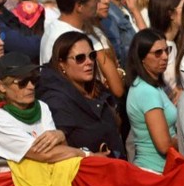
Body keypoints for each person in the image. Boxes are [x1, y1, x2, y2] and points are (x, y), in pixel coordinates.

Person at [0, 53, 88, 164]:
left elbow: (59, 152)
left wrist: (61, 136)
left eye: (33, 79)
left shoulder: (42, 107)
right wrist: (86, 154)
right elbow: (45, 154)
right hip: (11, 180)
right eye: (22, 82)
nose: (31, 86)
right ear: (2, 86)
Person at [40, 30, 124, 158]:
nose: (89, 62)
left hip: (118, 168)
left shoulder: (97, 89)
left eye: (92, 56)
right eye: (80, 58)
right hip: (88, 173)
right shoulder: (56, 101)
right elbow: (60, 150)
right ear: (62, 64)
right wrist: (90, 157)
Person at [124, 28, 177, 174]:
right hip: (154, 172)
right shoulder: (146, 91)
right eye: (158, 53)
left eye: (167, 50)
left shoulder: (153, 86)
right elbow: (164, 145)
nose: (165, 57)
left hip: (163, 170)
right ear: (141, 58)